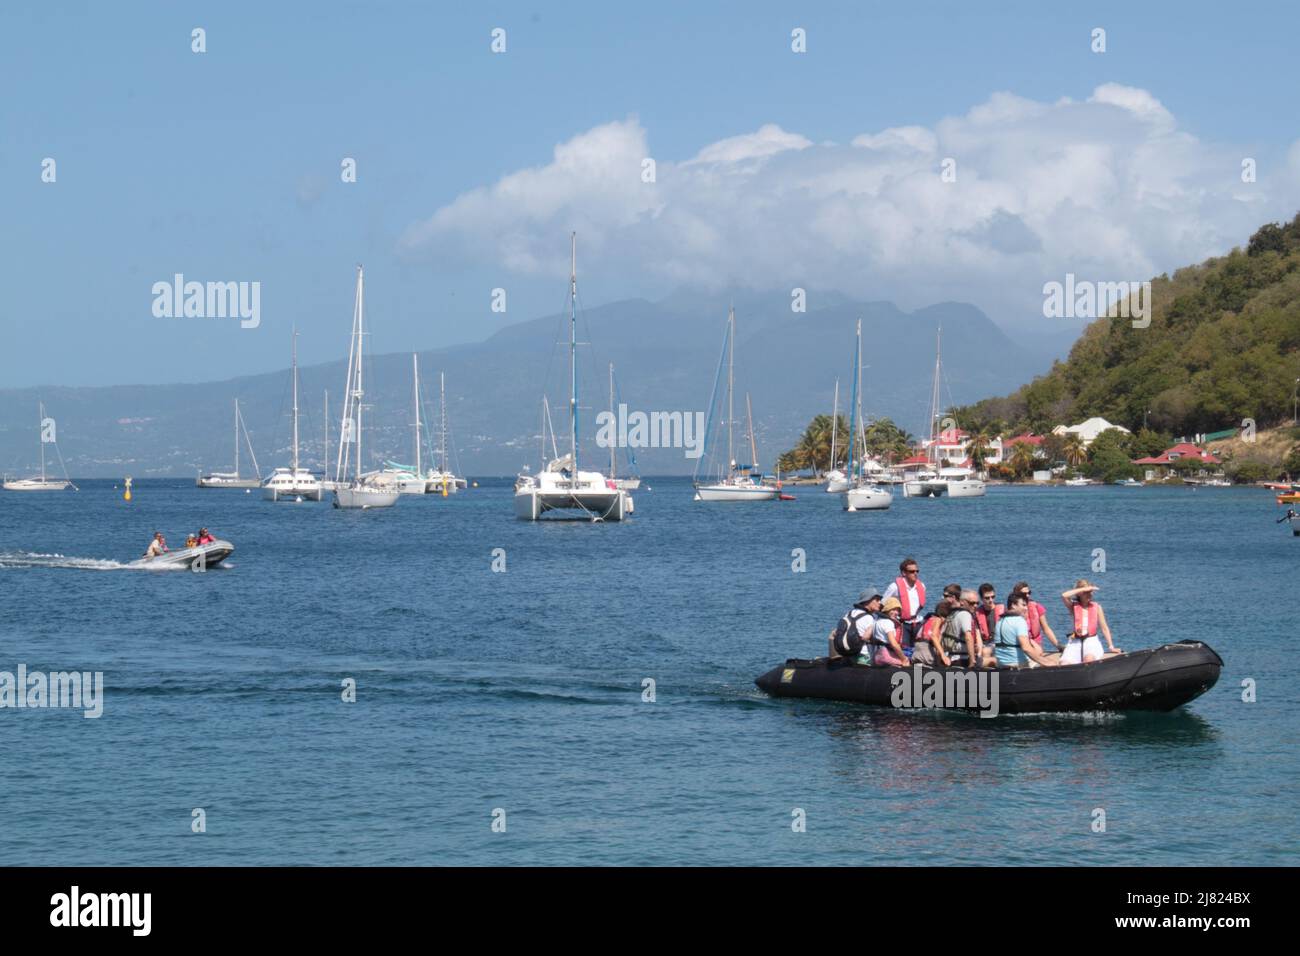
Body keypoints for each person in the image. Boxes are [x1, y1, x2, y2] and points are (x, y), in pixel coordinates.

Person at [1060, 580, 1122, 664]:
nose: (1090, 594)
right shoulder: (1073, 606)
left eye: (1091, 592)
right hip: (1075, 641)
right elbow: (1064, 595)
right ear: (1080, 593)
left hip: (1091, 641)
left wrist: (1111, 647)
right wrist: (1083, 589)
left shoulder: (1097, 607)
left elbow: (1104, 628)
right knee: (1064, 663)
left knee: (1088, 660)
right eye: (1086, 592)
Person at [993, 593, 1059, 668]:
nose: (1026, 608)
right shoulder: (1019, 621)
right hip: (1018, 663)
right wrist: (1047, 663)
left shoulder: (1000, 621)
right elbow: (1026, 648)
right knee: (1052, 662)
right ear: (1013, 605)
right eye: (1023, 605)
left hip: (1001, 664)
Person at [1009, 581, 1061, 664]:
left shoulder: (1037, 607)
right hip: (1020, 643)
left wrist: (1058, 646)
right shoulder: (1012, 610)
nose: (1027, 595)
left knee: (1038, 652)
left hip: (1035, 644)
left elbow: (1046, 628)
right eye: (1024, 594)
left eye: (1029, 593)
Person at [883, 558, 926, 648]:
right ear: (903, 573)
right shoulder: (894, 587)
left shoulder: (921, 586)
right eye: (912, 571)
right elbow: (883, 604)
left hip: (917, 622)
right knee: (904, 649)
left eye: (917, 571)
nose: (915, 573)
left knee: (918, 648)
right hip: (901, 623)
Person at [828, 590, 881, 659]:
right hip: (861, 655)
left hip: (847, 654)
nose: (879, 603)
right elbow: (866, 637)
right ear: (867, 601)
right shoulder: (869, 618)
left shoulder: (849, 613)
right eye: (877, 600)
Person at [940, 590, 979, 666]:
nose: (975, 606)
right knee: (992, 660)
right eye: (972, 603)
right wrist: (972, 661)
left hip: (950, 658)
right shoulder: (965, 614)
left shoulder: (951, 614)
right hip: (962, 659)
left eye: (977, 603)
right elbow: (968, 637)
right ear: (962, 602)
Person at [913, 602, 954, 666]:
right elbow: (933, 636)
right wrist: (943, 655)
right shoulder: (938, 620)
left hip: (916, 652)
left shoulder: (929, 619)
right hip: (927, 654)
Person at [872, 598, 910, 667]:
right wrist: (904, 659)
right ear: (887, 609)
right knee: (908, 662)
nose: (896, 612)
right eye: (893, 609)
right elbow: (894, 644)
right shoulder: (888, 623)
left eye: (898, 610)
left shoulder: (877, 621)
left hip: (876, 654)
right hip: (884, 655)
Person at [970, 583, 1003, 648]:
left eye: (993, 597)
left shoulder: (1003, 610)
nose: (991, 600)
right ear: (981, 599)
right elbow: (977, 633)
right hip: (985, 644)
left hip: (1000, 643)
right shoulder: (976, 614)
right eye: (987, 598)